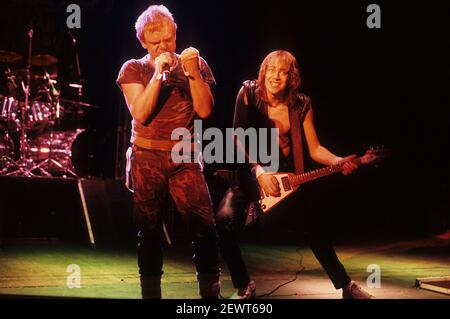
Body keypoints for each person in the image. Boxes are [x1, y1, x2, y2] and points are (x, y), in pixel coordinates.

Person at [215, 50, 373, 299]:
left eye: (283, 71)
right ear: (263, 71)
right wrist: (258, 171)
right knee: (222, 223)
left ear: (292, 77)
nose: (276, 76)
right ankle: (244, 284)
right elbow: (237, 137)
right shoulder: (247, 93)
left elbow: (315, 148)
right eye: (271, 69)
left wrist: (337, 160)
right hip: (251, 173)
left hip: (289, 180)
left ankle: (346, 286)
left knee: (317, 230)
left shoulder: (301, 105)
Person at [116, 5, 220, 299]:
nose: (164, 46)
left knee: (204, 228)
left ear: (175, 35)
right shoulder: (133, 68)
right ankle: (151, 295)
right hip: (146, 157)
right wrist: (157, 76)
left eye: (168, 39)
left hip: (184, 158)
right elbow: (141, 114)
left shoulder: (193, 64)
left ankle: (210, 296)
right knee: (149, 233)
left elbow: (205, 110)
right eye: (156, 41)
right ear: (143, 42)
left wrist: (193, 73)